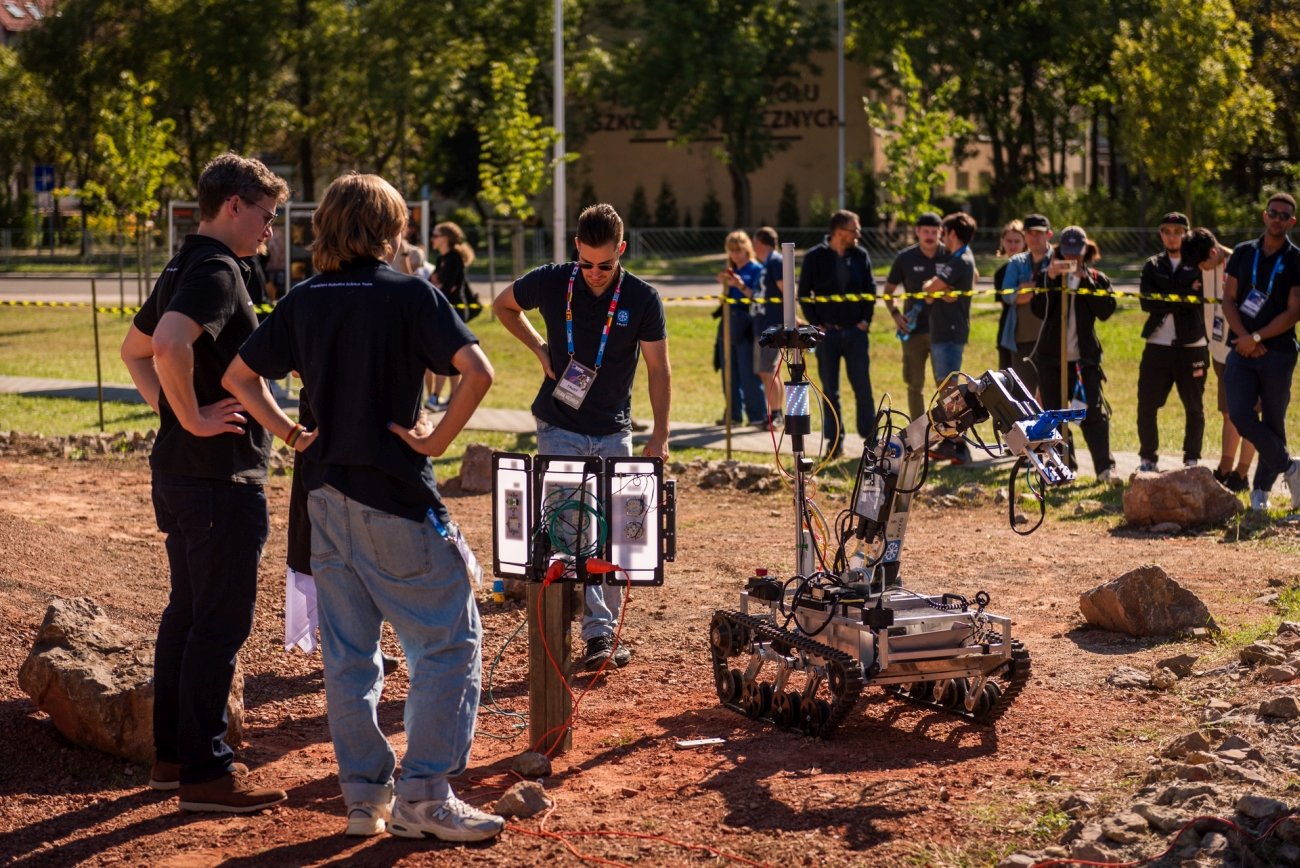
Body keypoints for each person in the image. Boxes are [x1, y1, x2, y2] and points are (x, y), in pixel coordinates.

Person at [222, 172, 503, 841]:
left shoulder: (304, 298)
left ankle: (363, 799)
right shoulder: (412, 296)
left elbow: (239, 375)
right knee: (449, 641)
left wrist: (290, 433)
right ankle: (426, 795)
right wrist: (437, 438)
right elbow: (480, 371)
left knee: (350, 656)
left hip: (321, 497)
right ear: (391, 229)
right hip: (391, 493)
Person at [118, 153, 290, 812]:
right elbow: (165, 345)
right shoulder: (218, 269)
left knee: (187, 617)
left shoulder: (182, 263)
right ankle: (207, 773)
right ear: (232, 207)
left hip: (183, 476)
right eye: (266, 217)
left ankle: (173, 759)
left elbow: (136, 350)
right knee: (218, 623)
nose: (269, 231)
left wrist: (170, 413)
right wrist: (188, 415)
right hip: (218, 479)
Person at [492, 203, 671, 671]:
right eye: (587, 263)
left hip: (614, 429)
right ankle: (558, 624)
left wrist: (661, 434)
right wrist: (540, 349)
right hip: (559, 424)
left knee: (613, 537)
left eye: (606, 265)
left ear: (622, 252)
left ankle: (600, 636)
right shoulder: (553, 279)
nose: (595, 273)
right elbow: (502, 306)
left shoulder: (642, 298)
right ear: (577, 249)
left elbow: (658, 369)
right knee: (569, 527)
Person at [1219, 193, 1300, 511]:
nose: (1278, 219)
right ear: (1265, 216)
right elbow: (1228, 299)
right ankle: (1292, 468)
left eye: (1285, 215)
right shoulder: (1242, 253)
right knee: (1239, 413)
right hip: (1240, 348)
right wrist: (1244, 338)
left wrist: (1257, 337)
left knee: (1273, 419)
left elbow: (1294, 311)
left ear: (1291, 222)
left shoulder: (1295, 259)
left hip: (1278, 352)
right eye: (1273, 213)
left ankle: (1260, 491)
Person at [1030, 225, 1119, 484]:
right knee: (1055, 415)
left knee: (1092, 414)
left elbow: (1106, 310)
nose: (1072, 259)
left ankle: (1105, 469)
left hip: (1084, 362)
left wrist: (1086, 282)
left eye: (1076, 253)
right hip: (1051, 359)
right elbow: (1038, 309)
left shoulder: (1096, 278)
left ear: (1085, 251)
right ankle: (1062, 467)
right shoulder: (1048, 276)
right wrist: (1049, 279)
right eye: (1067, 253)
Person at [797, 209, 876, 458]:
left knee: (862, 386)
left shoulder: (860, 256)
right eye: (855, 230)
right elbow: (803, 294)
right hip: (827, 335)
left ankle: (870, 439)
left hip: (855, 334)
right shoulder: (815, 257)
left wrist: (865, 320)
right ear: (840, 232)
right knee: (830, 390)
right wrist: (816, 323)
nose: (858, 235)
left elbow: (870, 291)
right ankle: (834, 442)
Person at [1135, 212, 1209, 473]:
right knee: (1147, 403)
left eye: (1178, 231)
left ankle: (1192, 458)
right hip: (1157, 344)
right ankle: (1148, 458)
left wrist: (1168, 298)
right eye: (1167, 231)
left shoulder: (1201, 264)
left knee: (1194, 405)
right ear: (1160, 234)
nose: (1172, 236)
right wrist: (1186, 295)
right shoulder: (1152, 265)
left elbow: (1202, 301)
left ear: (1186, 234)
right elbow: (1147, 302)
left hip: (1192, 344)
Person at [1182, 227, 1254, 491]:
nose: (1201, 267)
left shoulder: (1240, 265)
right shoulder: (1203, 265)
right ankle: (1225, 468)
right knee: (1228, 412)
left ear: (1214, 251)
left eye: (1203, 263)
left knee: (1251, 414)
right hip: (1219, 351)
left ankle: (1242, 473)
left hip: (1242, 350)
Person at [918, 212, 979, 464]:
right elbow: (934, 292)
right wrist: (935, 289)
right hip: (944, 330)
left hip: (950, 332)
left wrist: (932, 287)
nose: (941, 235)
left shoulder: (959, 260)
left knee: (949, 389)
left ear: (952, 233)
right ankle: (952, 441)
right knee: (947, 388)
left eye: (944, 231)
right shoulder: (958, 258)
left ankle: (958, 444)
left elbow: (929, 288)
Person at [883, 212, 944, 421]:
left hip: (942, 332)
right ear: (917, 232)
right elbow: (888, 292)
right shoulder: (905, 258)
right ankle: (919, 434)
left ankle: (947, 433)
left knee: (945, 385)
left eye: (934, 231)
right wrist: (896, 315)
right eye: (925, 231)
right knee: (914, 385)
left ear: (941, 232)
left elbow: (972, 278)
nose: (929, 235)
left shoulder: (950, 255)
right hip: (914, 331)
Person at [715, 230, 766, 427]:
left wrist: (740, 284)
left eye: (739, 250)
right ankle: (733, 415)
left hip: (747, 323)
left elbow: (757, 297)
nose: (736, 255)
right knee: (729, 371)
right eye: (732, 251)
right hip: (728, 322)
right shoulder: (730, 269)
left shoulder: (756, 269)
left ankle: (757, 416)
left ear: (747, 250)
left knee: (748, 372)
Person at [999, 213, 1053, 395]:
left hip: (1052, 338)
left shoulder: (1058, 261)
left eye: (1039, 233)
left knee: (1051, 394)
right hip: (1021, 340)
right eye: (1030, 233)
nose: (1034, 237)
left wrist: (1025, 288)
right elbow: (1008, 296)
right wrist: (1040, 288)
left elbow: (1056, 296)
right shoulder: (1016, 262)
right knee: (1023, 396)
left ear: (1049, 235)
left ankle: (1055, 426)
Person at [427, 221, 477, 409]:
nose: (432, 239)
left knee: (448, 352)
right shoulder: (441, 259)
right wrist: (438, 285)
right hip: (445, 308)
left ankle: (442, 396)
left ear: (445, 238)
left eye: (435, 235)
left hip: (455, 309)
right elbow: (431, 283)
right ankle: (449, 397)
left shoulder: (454, 258)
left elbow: (446, 287)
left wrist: (439, 285)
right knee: (447, 353)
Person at [751, 226, 785, 427]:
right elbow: (760, 295)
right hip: (761, 324)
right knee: (767, 372)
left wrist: (792, 317)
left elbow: (787, 290)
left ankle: (777, 415)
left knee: (768, 372)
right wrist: (739, 286)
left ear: (759, 243)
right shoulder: (766, 264)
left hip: (772, 326)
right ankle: (773, 414)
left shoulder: (775, 262)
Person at [993, 221, 1027, 371]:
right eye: (1009, 241)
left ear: (1024, 242)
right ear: (1002, 242)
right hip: (1008, 331)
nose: (1012, 245)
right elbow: (1008, 302)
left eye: (1017, 241)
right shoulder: (1000, 273)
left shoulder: (1033, 267)